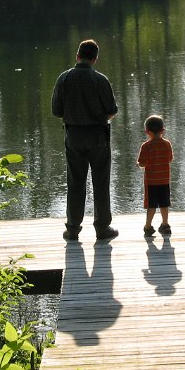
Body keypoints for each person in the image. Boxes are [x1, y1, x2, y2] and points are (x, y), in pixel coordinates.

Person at [51, 39, 118, 242]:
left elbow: (56, 111)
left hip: (73, 136)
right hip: (98, 136)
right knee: (101, 182)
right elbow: (112, 110)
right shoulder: (100, 80)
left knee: (75, 182)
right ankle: (102, 228)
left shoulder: (64, 79)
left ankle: (72, 229)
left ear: (77, 56)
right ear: (95, 59)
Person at [137, 114, 174, 236]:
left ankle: (148, 226)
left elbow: (142, 163)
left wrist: (138, 164)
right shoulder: (167, 144)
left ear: (147, 131)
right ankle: (165, 225)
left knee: (151, 205)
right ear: (163, 130)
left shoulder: (146, 146)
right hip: (164, 181)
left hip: (151, 182)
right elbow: (170, 159)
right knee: (164, 204)